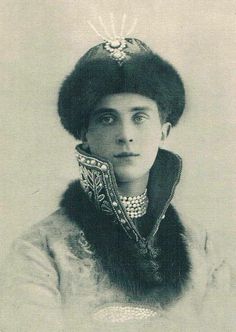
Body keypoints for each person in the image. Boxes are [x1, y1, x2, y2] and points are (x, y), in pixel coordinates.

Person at [0, 36, 234, 332]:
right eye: (108, 119)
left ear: (164, 131)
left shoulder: (203, 248)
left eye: (139, 117)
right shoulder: (41, 249)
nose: (126, 134)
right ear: (85, 133)